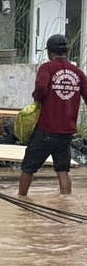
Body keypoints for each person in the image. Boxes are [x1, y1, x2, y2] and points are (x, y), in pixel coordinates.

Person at [18, 34, 87, 197]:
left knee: (28, 168)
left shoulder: (46, 68)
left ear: (50, 52)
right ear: (66, 52)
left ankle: (21, 202)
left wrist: (37, 97)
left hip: (45, 130)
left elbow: (41, 88)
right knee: (62, 170)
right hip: (66, 132)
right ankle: (65, 205)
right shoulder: (78, 73)